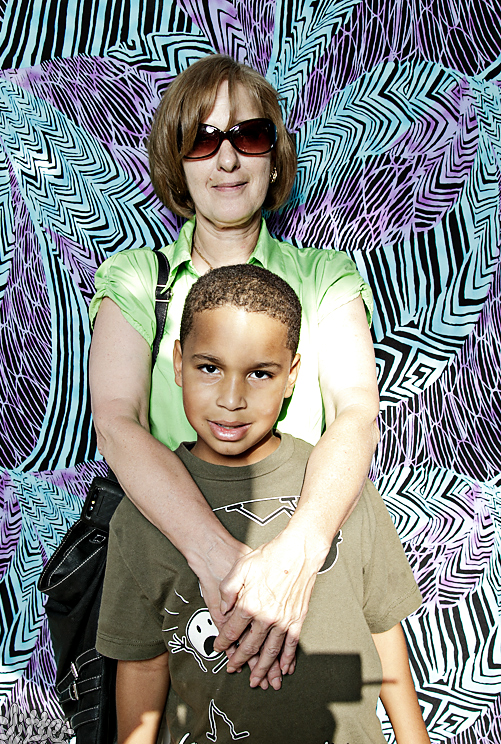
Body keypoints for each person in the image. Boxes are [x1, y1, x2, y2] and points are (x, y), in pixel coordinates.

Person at [89, 54, 380, 686]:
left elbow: (358, 410)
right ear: (178, 162)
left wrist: (296, 558)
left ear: (274, 158)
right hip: (173, 580)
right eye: (202, 139)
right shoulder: (137, 279)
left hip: (306, 572)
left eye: (248, 136)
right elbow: (114, 421)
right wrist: (219, 557)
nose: (226, 159)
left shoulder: (324, 277)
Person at [96, 265, 439, 744]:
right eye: (210, 367)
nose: (232, 398)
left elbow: (382, 628)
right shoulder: (145, 511)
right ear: (178, 364)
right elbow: (141, 664)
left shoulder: (339, 487)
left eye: (259, 373)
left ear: (293, 375)